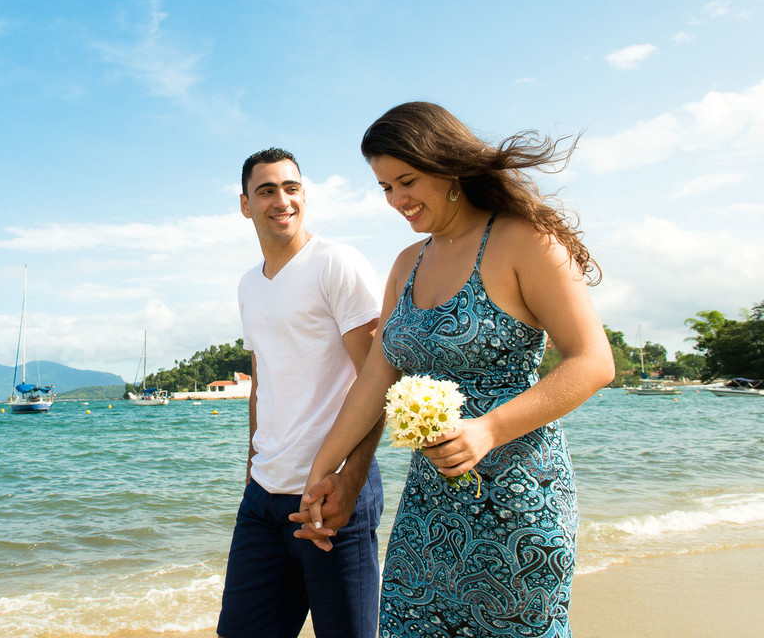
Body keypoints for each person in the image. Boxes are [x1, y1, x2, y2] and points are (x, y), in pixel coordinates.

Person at [293, 102, 615, 638]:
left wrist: (488, 429)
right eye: (385, 187)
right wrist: (322, 472)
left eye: (407, 180)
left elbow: (592, 362)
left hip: (518, 501)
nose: (397, 200)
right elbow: (376, 379)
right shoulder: (406, 263)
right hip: (427, 505)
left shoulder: (523, 239)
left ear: (448, 168)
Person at [218, 147, 388, 638]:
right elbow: (261, 381)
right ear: (245, 205)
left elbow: (377, 379)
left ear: (304, 195)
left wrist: (350, 482)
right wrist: (253, 464)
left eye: (291, 188)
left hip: (331, 496)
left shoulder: (337, 263)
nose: (281, 200)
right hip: (263, 500)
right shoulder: (249, 284)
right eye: (266, 190)